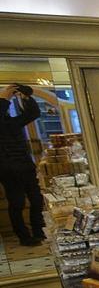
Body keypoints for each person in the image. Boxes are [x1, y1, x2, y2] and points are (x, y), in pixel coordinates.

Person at [0, 84, 45, 246]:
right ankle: (24, 236)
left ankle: (39, 230)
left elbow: (33, 113)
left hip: (25, 165)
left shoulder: (11, 123)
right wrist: (5, 97)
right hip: (8, 169)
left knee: (36, 199)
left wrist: (25, 96)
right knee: (17, 203)